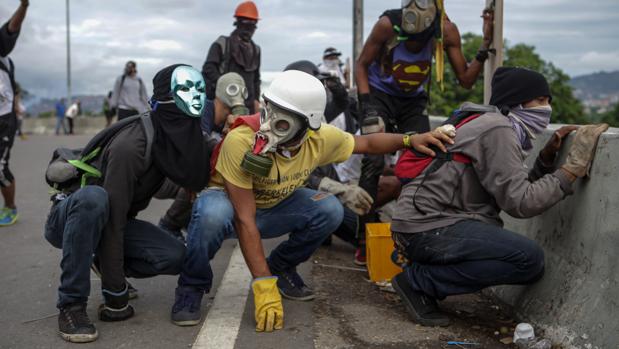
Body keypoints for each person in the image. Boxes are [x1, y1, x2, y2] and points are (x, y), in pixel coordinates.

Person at [170, 70, 454, 332]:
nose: (269, 125)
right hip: (232, 207)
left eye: (281, 121)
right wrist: (261, 283)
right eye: (268, 111)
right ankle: (191, 286)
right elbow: (245, 219)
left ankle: (281, 267)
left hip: (274, 206)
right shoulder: (242, 140)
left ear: (308, 125)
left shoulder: (319, 139)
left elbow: (366, 143)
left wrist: (410, 139)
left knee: (329, 209)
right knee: (210, 213)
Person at [389, 67, 608, 327]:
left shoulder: (489, 122)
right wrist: (571, 170)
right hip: (428, 228)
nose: (546, 109)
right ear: (517, 101)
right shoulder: (497, 129)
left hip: (423, 225)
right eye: (539, 101)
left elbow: (510, 186)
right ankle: (418, 282)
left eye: (548, 101)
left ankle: (423, 277)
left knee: (522, 256)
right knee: (529, 260)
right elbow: (521, 202)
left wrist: (545, 160)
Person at [44, 64, 212, 343]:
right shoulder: (132, 147)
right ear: (166, 101)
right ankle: (71, 305)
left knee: (176, 256)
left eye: (200, 90)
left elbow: (164, 185)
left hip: (111, 219)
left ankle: (99, 258)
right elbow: (112, 222)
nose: (195, 96)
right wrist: (116, 296)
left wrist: (200, 187)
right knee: (95, 200)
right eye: (185, 89)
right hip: (72, 217)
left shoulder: (167, 139)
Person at [354, 0, 494, 264]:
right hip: (379, 95)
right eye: (408, 40)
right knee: (373, 162)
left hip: (413, 101)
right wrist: (367, 106)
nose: (414, 45)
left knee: (423, 161)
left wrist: (484, 45)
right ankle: (363, 236)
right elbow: (362, 65)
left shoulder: (446, 31)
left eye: (419, 41)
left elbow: (465, 80)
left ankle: (412, 236)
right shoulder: (386, 25)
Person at [157, 72, 249, 240]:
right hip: (161, 177)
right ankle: (169, 224)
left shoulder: (219, 121)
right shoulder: (200, 111)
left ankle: (189, 220)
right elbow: (199, 149)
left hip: (174, 173)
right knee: (206, 175)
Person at [202, 1, 261, 114]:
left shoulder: (256, 50)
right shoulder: (223, 43)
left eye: (252, 25)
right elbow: (208, 69)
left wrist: (256, 100)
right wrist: (226, 87)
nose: (248, 29)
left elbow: (256, 79)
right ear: (237, 23)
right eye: (245, 24)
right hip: (224, 105)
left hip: (248, 106)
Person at [0, 0, 28, 227]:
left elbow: (11, 28)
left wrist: (24, 6)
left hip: (3, 118)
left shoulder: (1, 49)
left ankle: (10, 207)